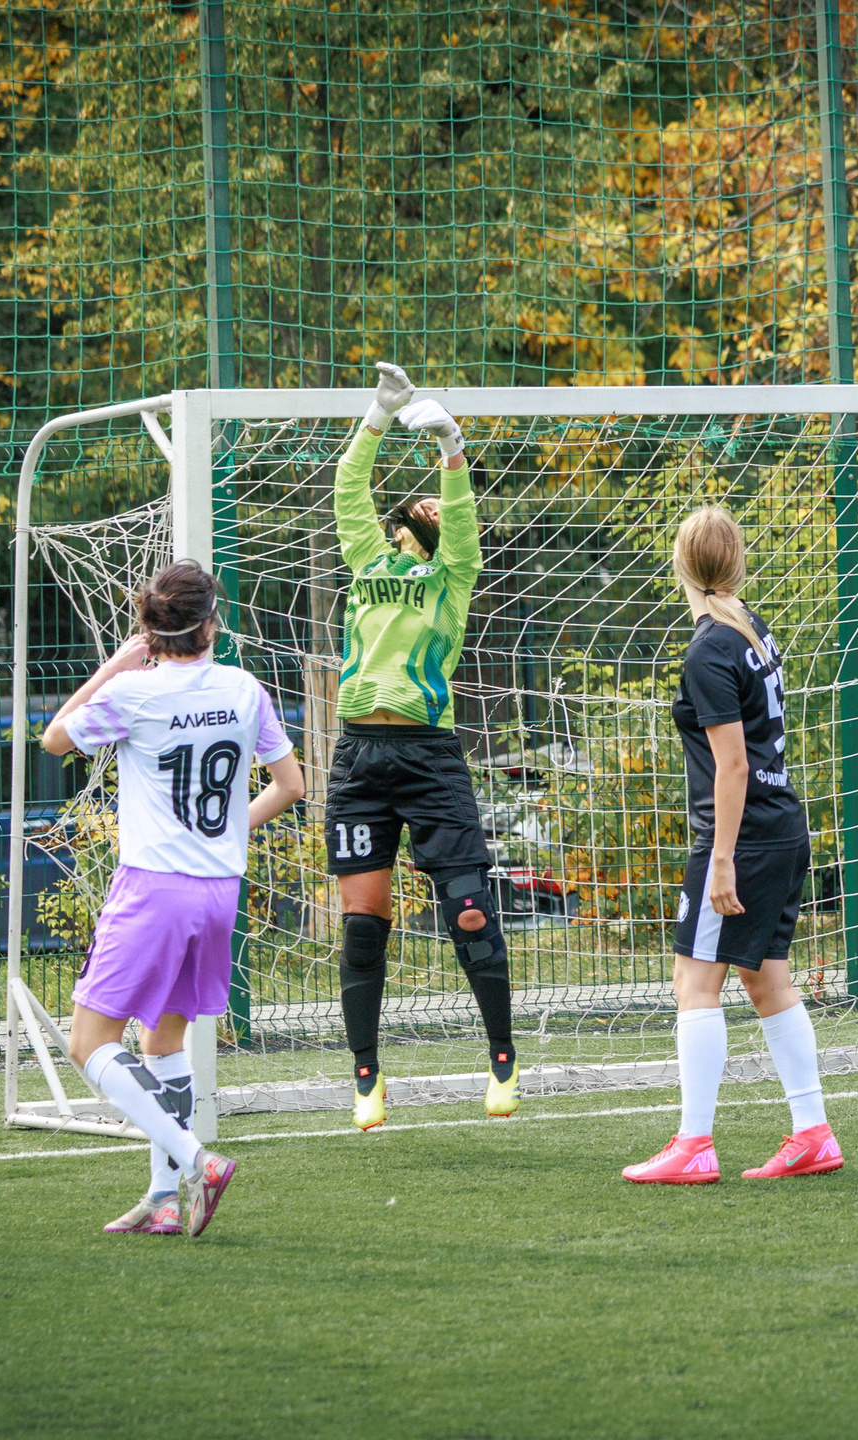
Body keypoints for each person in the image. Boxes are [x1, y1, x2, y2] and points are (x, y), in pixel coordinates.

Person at [42, 559, 305, 1233]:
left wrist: (115, 665)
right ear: (211, 623)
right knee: (164, 1041)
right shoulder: (244, 690)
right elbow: (290, 786)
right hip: (218, 890)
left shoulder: (135, 693)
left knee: (87, 1042)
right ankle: (164, 1199)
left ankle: (194, 1159)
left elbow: (54, 738)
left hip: (154, 889)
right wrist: (217, 832)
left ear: (149, 634)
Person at [623, 507, 840, 1184]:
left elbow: (734, 765)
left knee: (695, 981)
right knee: (766, 979)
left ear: (680, 564)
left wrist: (719, 857)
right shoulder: (749, 625)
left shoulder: (710, 647)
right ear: (736, 561)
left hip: (743, 839)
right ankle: (813, 1133)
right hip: (780, 829)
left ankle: (694, 1144)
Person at [325, 362, 516, 1130]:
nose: (441, 504)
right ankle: (367, 1079)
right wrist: (379, 413)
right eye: (431, 498)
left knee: (469, 912)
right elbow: (346, 487)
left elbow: (463, 514)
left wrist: (451, 447)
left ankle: (502, 1061)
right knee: (365, 924)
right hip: (359, 761)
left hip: (431, 759)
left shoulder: (454, 574)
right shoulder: (368, 560)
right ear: (404, 519)